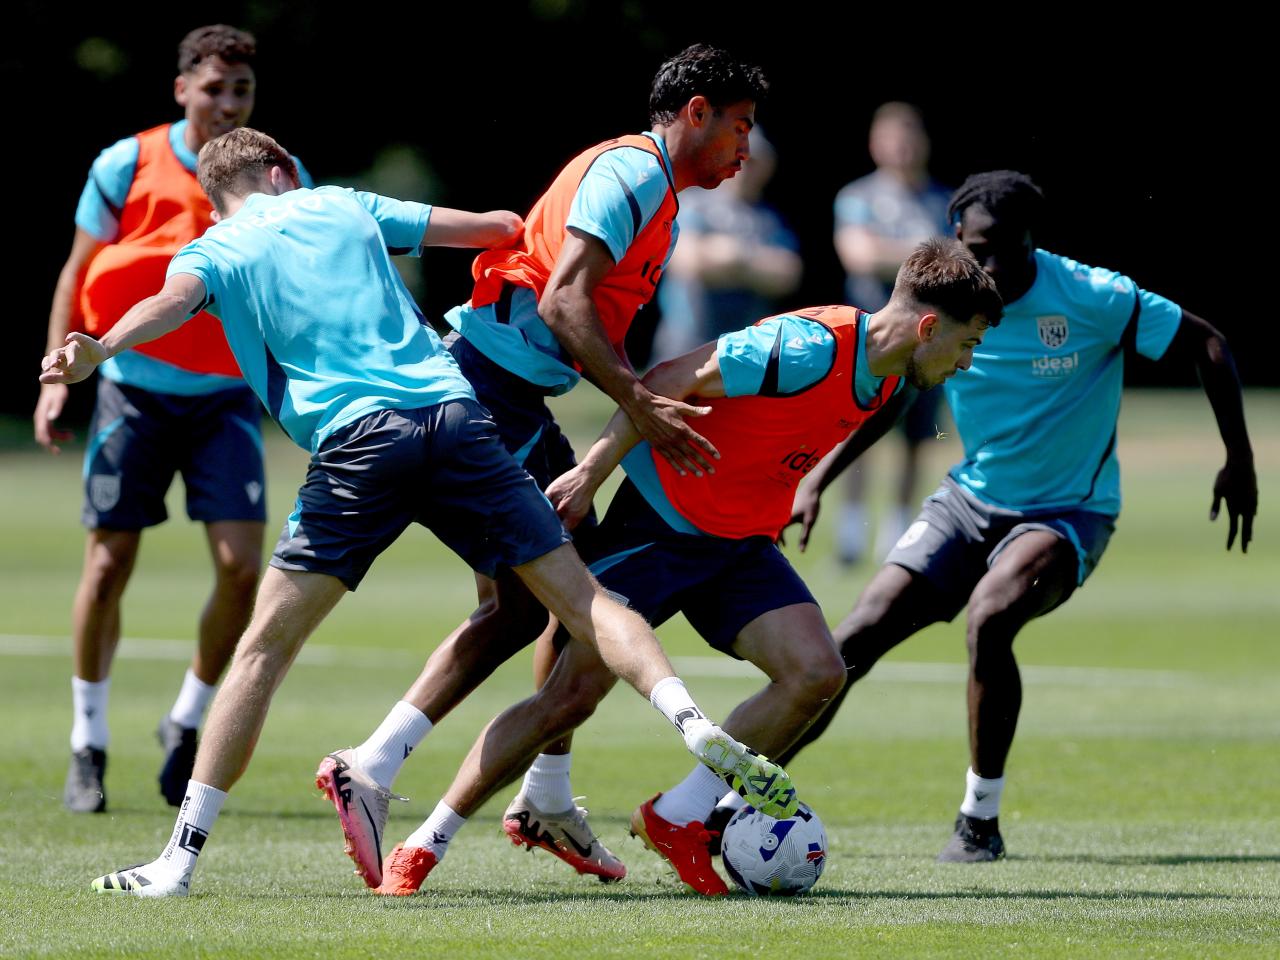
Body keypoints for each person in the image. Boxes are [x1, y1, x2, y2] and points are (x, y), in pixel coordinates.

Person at [42, 128, 792, 898]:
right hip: (456, 417)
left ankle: (179, 862)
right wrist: (531, 232)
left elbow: (169, 303)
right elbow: (494, 227)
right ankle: (691, 721)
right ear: (280, 170)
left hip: (357, 444)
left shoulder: (214, 249)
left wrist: (99, 347)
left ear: (216, 194)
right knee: (585, 602)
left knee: (263, 649)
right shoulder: (340, 203)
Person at [367, 239, 1001, 897]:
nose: (967, 361)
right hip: (661, 528)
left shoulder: (892, 375)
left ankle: (678, 817)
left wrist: (794, 488)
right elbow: (671, 378)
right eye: (967, 344)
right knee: (569, 697)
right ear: (928, 327)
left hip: (740, 546)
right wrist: (590, 472)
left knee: (816, 673)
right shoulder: (809, 347)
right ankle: (424, 845)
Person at [317, 43, 770, 887]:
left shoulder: (660, 191)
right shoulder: (633, 175)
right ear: (696, 112)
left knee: (558, 591)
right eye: (738, 126)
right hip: (487, 393)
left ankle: (540, 792)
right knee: (550, 602)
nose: (746, 148)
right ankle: (377, 767)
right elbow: (563, 299)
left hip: (512, 397)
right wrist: (637, 400)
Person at [783, 170, 1257, 862]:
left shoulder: (1093, 296)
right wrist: (821, 474)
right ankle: (736, 796)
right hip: (969, 500)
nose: (996, 267)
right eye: (981, 249)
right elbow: (901, 391)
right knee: (852, 637)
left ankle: (979, 819)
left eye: (1012, 249)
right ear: (957, 241)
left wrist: (1238, 458)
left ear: (1036, 241)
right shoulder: (945, 303)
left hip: (1069, 512)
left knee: (990, 616)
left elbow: (1206, 341)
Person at [36, 25, 311, 813]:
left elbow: (302, 276)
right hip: (134, 388)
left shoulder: (275, 171)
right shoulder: (125, 164)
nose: (229, 103)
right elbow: (79, 273)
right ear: (182, 87)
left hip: (226, 396)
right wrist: (59, 375)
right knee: (107, 565)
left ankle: (186, 720)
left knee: (238, 569)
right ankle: (87, 742)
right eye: (216, 87)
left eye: (243, 91)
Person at [832, 102, 954, 565]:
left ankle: (899, 529)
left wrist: (898, 253)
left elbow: (961, 261)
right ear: (875, 144)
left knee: (917, 437)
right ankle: (851, 528)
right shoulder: (857, 197)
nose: (902, 148)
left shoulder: (942, 200)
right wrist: (928, 254)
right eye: (892, 138)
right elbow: (859, 255)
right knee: (857, 430)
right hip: (871, 337)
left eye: (910, 137)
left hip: (928, 339)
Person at [650, 126, 801, 362]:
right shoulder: (692, 202)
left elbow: (787, 275)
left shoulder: (770, 218)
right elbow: (688, 262)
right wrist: (757, 267)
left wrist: (736, 257)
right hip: (686, 346)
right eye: (737, 156)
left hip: (747, 352)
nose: (744, 168)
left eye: (753, 161)